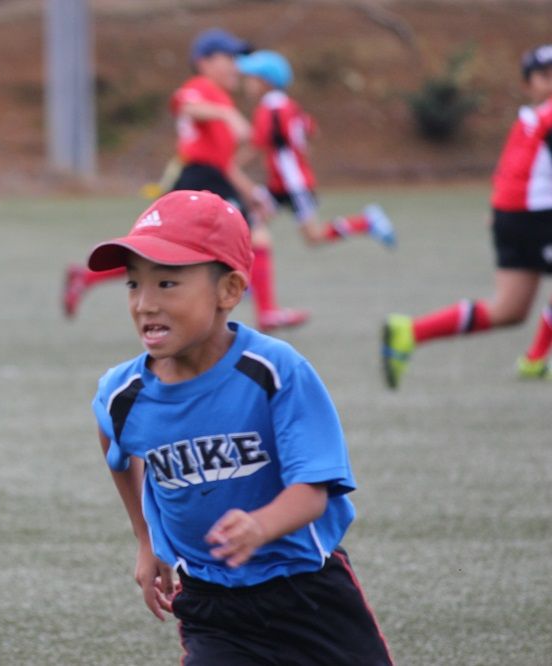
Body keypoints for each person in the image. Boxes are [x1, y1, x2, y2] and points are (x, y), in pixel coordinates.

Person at [87, 190, 393, 665]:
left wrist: (260, 526)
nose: (145, 303)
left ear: (229, 290)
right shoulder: (121, 393)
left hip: (308, 595)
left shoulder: (274, 371)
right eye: (133, 284)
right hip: (211, 605)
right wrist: (146, 541)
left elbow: (313, 492)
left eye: (167, 283)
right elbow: (115, 445)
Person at [65, 29, 307, 332]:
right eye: (229, 57)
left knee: (169, 253)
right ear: (204, 62)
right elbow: (186, 106)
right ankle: (266, 311)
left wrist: (250, 192)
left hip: (213, 177)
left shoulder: (220, 97)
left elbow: (223, 162)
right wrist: (225, 114)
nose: (236, 65)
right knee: (244, 238)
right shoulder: (201, 87)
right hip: (198, 178)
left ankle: (86, 277)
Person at [382, 44, 552, 388]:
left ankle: (410, 332)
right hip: (535, 218)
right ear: (527, 84)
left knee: (509, 310)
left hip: (513, 217)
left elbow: (510, 169)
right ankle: (534, 358)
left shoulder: (529, 119)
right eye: (546, 76)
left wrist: (498, 209)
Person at [236, 50, 396, 249]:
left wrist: (230, 164)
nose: (246, 83)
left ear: (265, 81)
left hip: (293, 183)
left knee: (312, 236)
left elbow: (256, 144)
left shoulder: (270, 108)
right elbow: (310, 129)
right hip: (280, 183)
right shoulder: (289, 105)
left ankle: (366, 222)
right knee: (248, 229)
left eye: (251, 78)